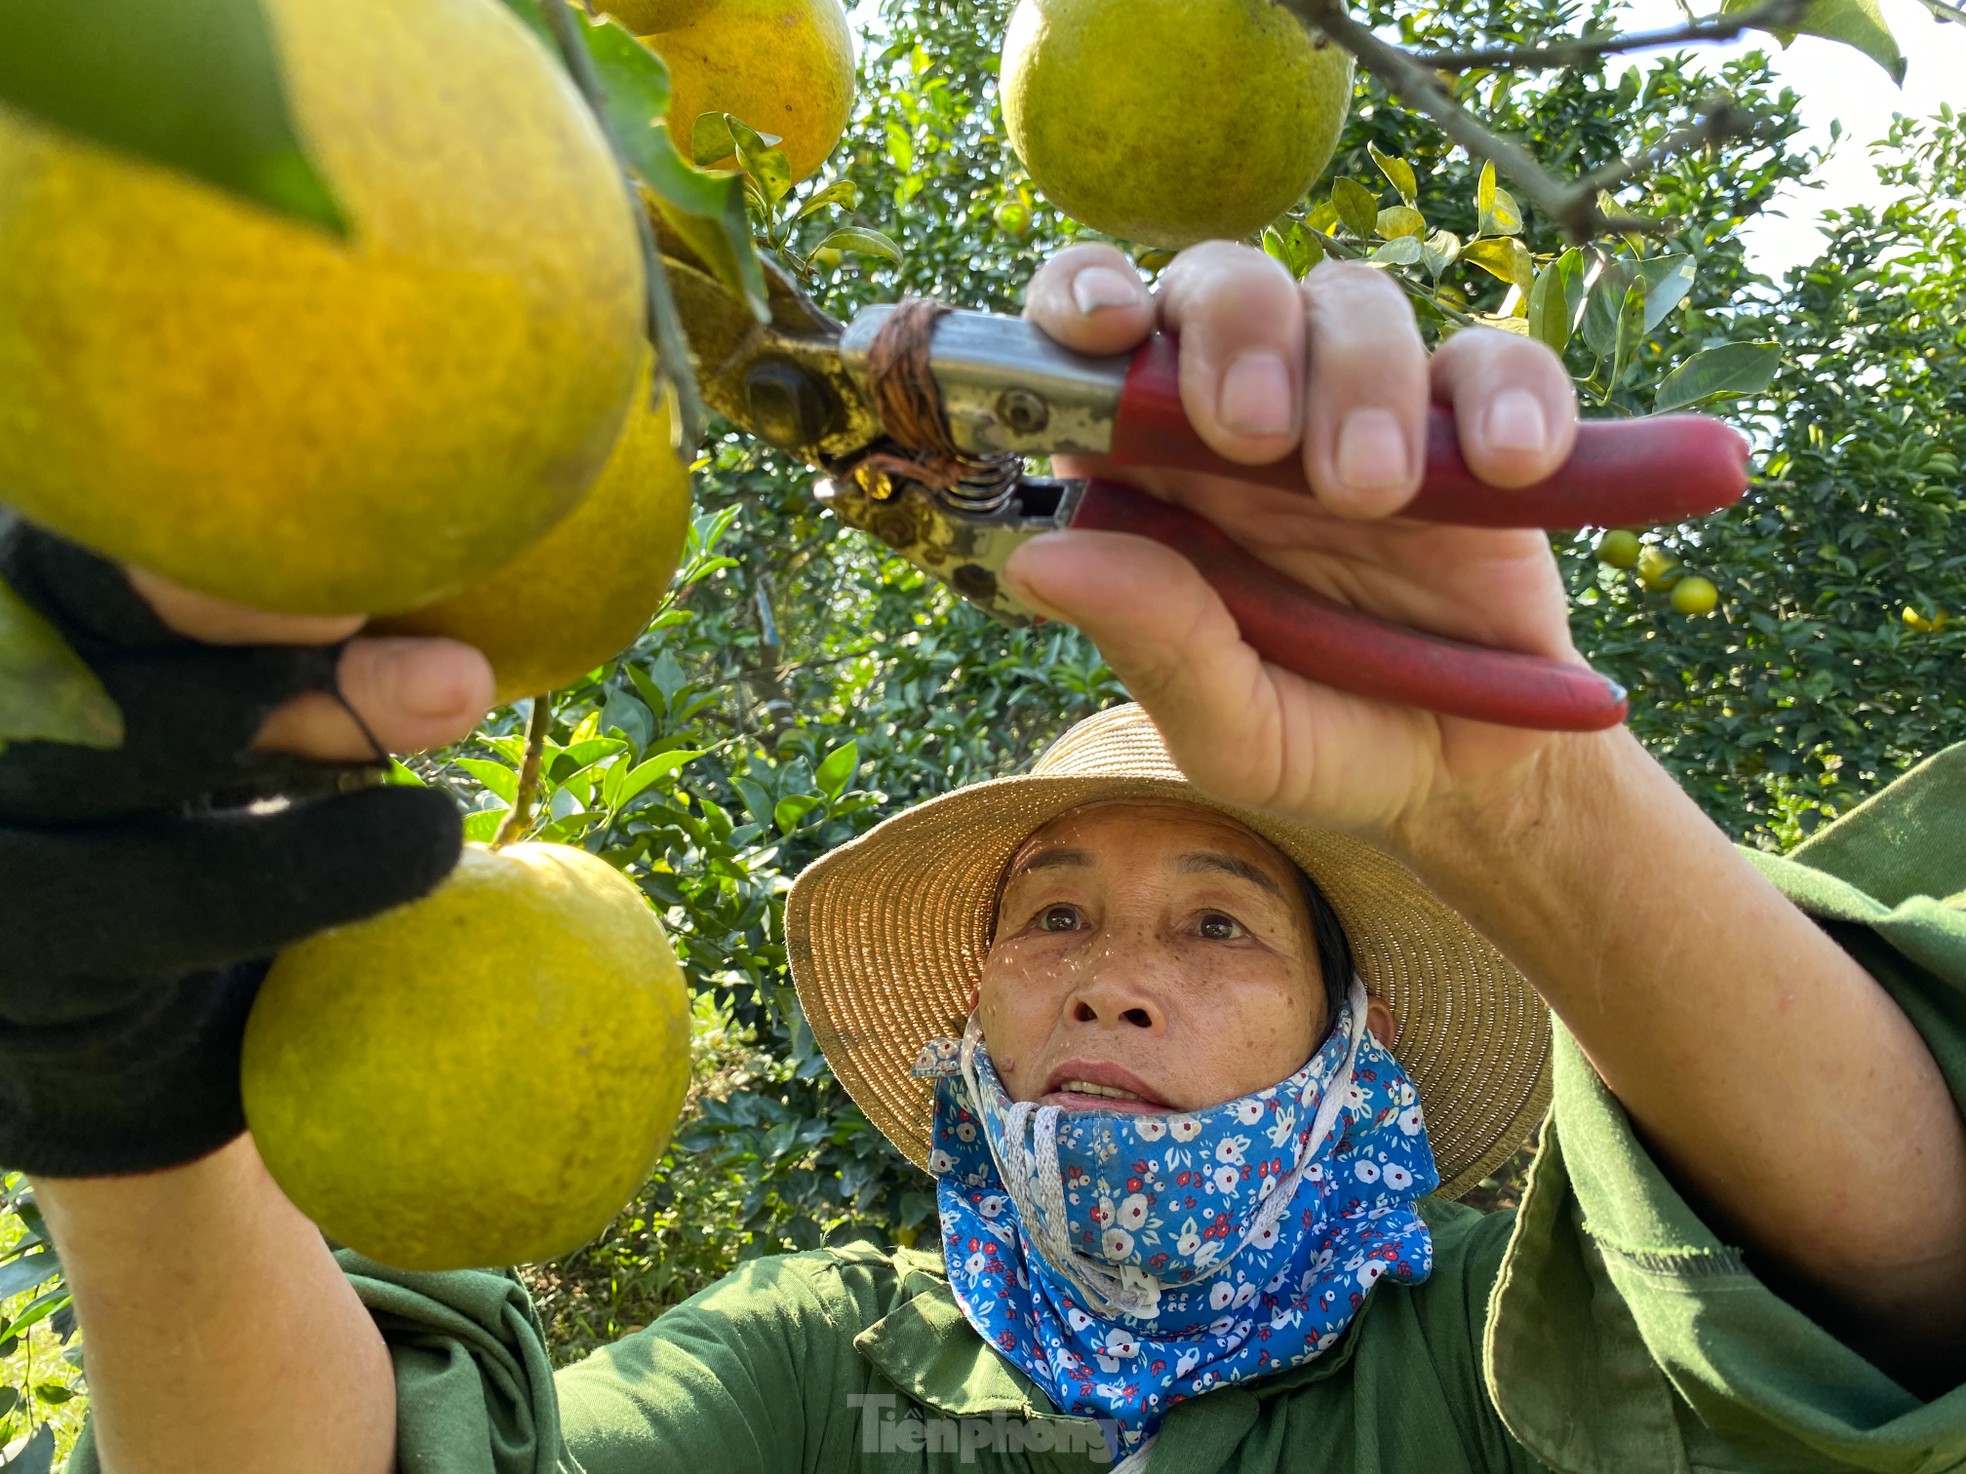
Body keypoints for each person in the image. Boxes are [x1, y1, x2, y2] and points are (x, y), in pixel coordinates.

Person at [9, 243, 1964, 1474]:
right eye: (1053, 915)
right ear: (972, 1009)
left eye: (1216, 921)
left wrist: (1507, 799)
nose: (1112, 970)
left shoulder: (1477, 1355)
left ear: (1343, 1043)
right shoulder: (818, 1365)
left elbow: (1885, 1296)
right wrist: (131, 1095)